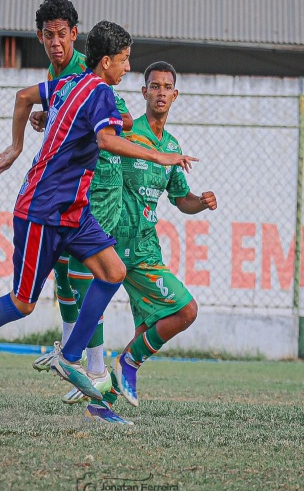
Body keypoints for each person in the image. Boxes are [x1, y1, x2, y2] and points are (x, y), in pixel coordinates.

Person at [0, 23, 197, 402]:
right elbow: (106, 139)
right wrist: (157, 154)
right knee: (23, 302)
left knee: (114, 271)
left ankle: (71, 357)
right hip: (44, 208)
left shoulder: (69, 83)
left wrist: (24, 137)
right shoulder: (100, 91)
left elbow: (26, 98)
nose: (127, 68)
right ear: (106, 62)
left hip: (74, 209)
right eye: (124, 60)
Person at [86, 61, 217, 418]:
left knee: (148, 327)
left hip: (146, 246)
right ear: (144, 93)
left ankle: (101, 405)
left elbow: (180, 199)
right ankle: (127, 362)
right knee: (186, 309)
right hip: (118, 243)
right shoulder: (128, 134)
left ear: (175, 95)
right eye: (154, 86)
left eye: (166, 87)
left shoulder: (171, 146)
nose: (160, 93)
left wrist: (200, 204)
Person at [27, 0, 132, 415]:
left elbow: (121, 119)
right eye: (48, 35)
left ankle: (93, 367)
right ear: (41, 37)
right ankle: (73, 362)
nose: (56, 42)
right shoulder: (55, 73)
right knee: (63, 279)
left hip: (98, 185)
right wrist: (44, 117)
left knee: (84, 274)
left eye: (62, 34)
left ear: (75, 34)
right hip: (67, 188)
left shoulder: (84, 72)